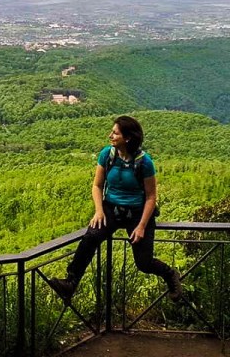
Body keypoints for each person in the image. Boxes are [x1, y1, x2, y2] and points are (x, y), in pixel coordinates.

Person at [49, 115, 183, 303]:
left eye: (115, 133)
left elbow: (151, 197)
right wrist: (99, 210)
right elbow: (97, 186)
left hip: (138, 213)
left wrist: (142, 225)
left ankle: (170, 275)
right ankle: (71, 282)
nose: (110, 135)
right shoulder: (107, 155)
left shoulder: (144, 163)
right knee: (91, 237)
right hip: (111, 207)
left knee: (143, 263)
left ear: (127, 138)